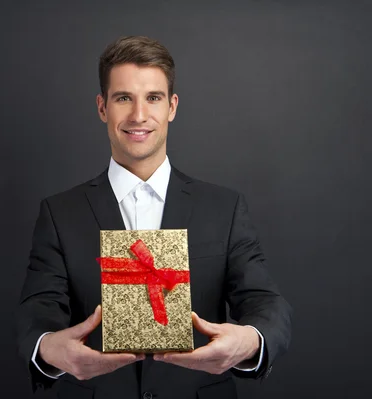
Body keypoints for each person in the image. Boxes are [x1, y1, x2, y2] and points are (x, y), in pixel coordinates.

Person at [15, 35, 292, 399]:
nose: (139, 115)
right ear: (102, 107)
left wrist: (249, 340)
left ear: (172, 106)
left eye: (153, 98)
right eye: (123, 98)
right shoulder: (59, 212)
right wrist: (49, 347)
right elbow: (39, 307)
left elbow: (265, 302)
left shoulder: (223, 208)